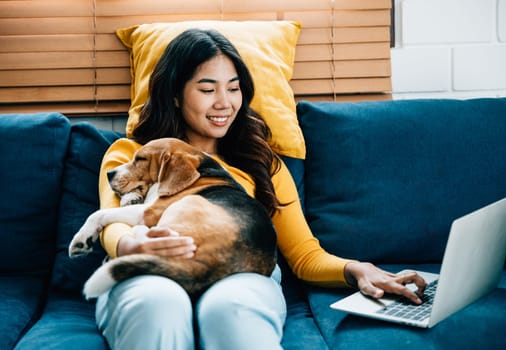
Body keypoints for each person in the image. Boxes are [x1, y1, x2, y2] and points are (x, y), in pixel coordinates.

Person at [95, 28, 427, 350]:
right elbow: (113, 222)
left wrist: (357, 270)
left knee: (231, 310)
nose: (224, 103)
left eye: (234, 88)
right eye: (207, 90)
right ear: (175, 95)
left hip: (238, 274)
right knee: (159, 304)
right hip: (149, 275)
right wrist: (130, 243)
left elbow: (304, 255)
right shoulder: (132, 154)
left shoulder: (261, 162)